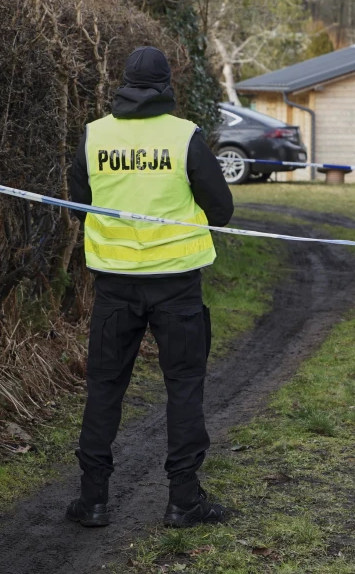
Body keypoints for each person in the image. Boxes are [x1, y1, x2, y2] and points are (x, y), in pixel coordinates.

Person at [65, 46, 234, 530]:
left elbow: (82, 209)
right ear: (166, 84)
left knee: (104, 389)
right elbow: (220, 210)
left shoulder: (94, 136)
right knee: (183, 389)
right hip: (177, 286)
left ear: (123, 83)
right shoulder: (185, 137)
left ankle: (92, 499)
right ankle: (184, 500)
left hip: (115, 286)